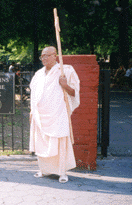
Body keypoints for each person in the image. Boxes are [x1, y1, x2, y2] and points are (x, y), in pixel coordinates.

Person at [29, 46, 80, 183]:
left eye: (47, 55)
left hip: (57, 113)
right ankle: (44, 170)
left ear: (55, 56)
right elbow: (33, 95)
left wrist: (65, 85)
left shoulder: (65, 70)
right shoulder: (39, 74)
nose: (44, 58)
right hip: (40, 115)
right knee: (41, 142)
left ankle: (62, 172)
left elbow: (75, 93)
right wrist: (32, 112)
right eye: (42, 56)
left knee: (60, 143)